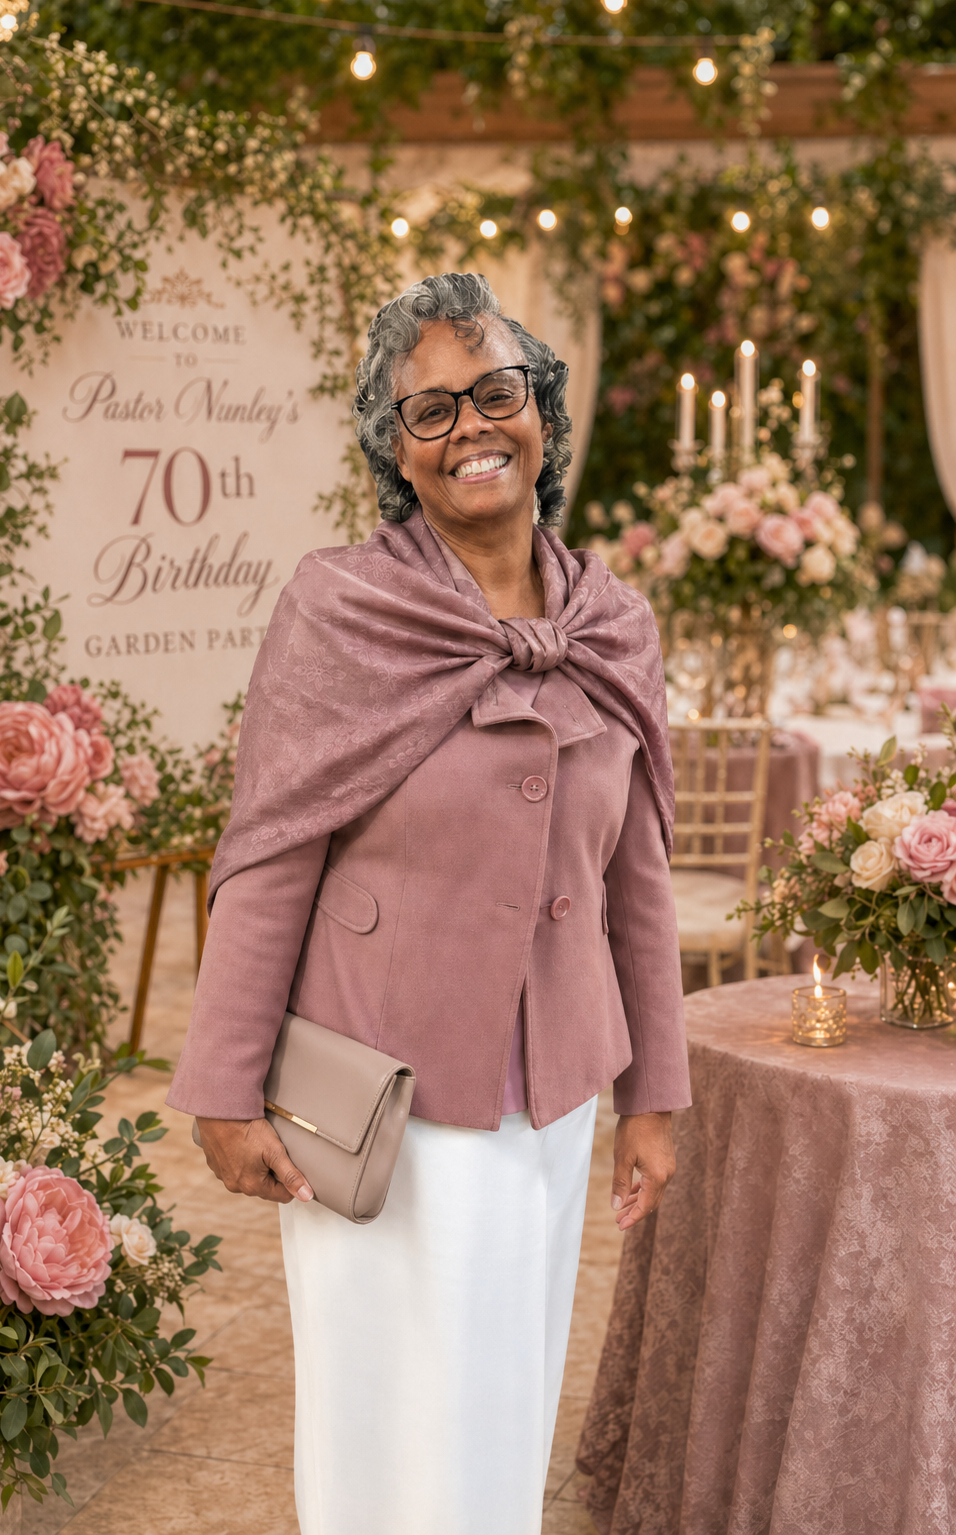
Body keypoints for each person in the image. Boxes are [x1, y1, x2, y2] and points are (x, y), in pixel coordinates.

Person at [167, 271, 690, 1535]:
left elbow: (637, 878)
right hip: (381, 1095)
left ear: (544, 413)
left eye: (496, 391)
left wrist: (653, 1093)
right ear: (396, 454)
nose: (471, 428)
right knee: (386, 1414)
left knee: (503, 1402)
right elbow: (271, 853)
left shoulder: (612, 624)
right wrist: (223, 1089)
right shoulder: (342, 607)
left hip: (551, 1094)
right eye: (431, 409)